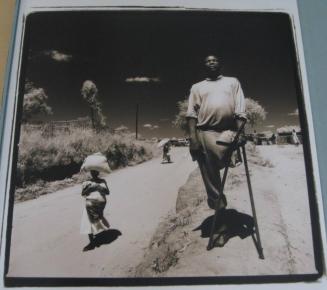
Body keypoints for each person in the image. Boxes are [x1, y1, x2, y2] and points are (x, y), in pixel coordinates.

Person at [186, 54, 246, 211]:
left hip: (228, 132)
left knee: (229, 164)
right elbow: (191, 114)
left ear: (220, 64)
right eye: (207, 61)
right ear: (204, 66)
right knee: (210, 177)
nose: (211, 62)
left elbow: (240, 109)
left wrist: (241, 133)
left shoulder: (232, 82)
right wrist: (193, 138)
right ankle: (220, 213)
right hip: (205, 132)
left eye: (214, 60)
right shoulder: (197, 87)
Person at [80, 170, 110, 251]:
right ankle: (92, 241)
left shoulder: (102, 181)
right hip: (89, 203)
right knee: (87, 219)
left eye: (95, 172)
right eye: (92, 172)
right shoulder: (87, 182)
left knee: (94, 218)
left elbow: (107, 192)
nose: (94, 174)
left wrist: (99, 187)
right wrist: (90, 188)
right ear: (91, 173)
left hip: (99, 203)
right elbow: (83, 193)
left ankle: (95, 241)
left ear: (98, 173)